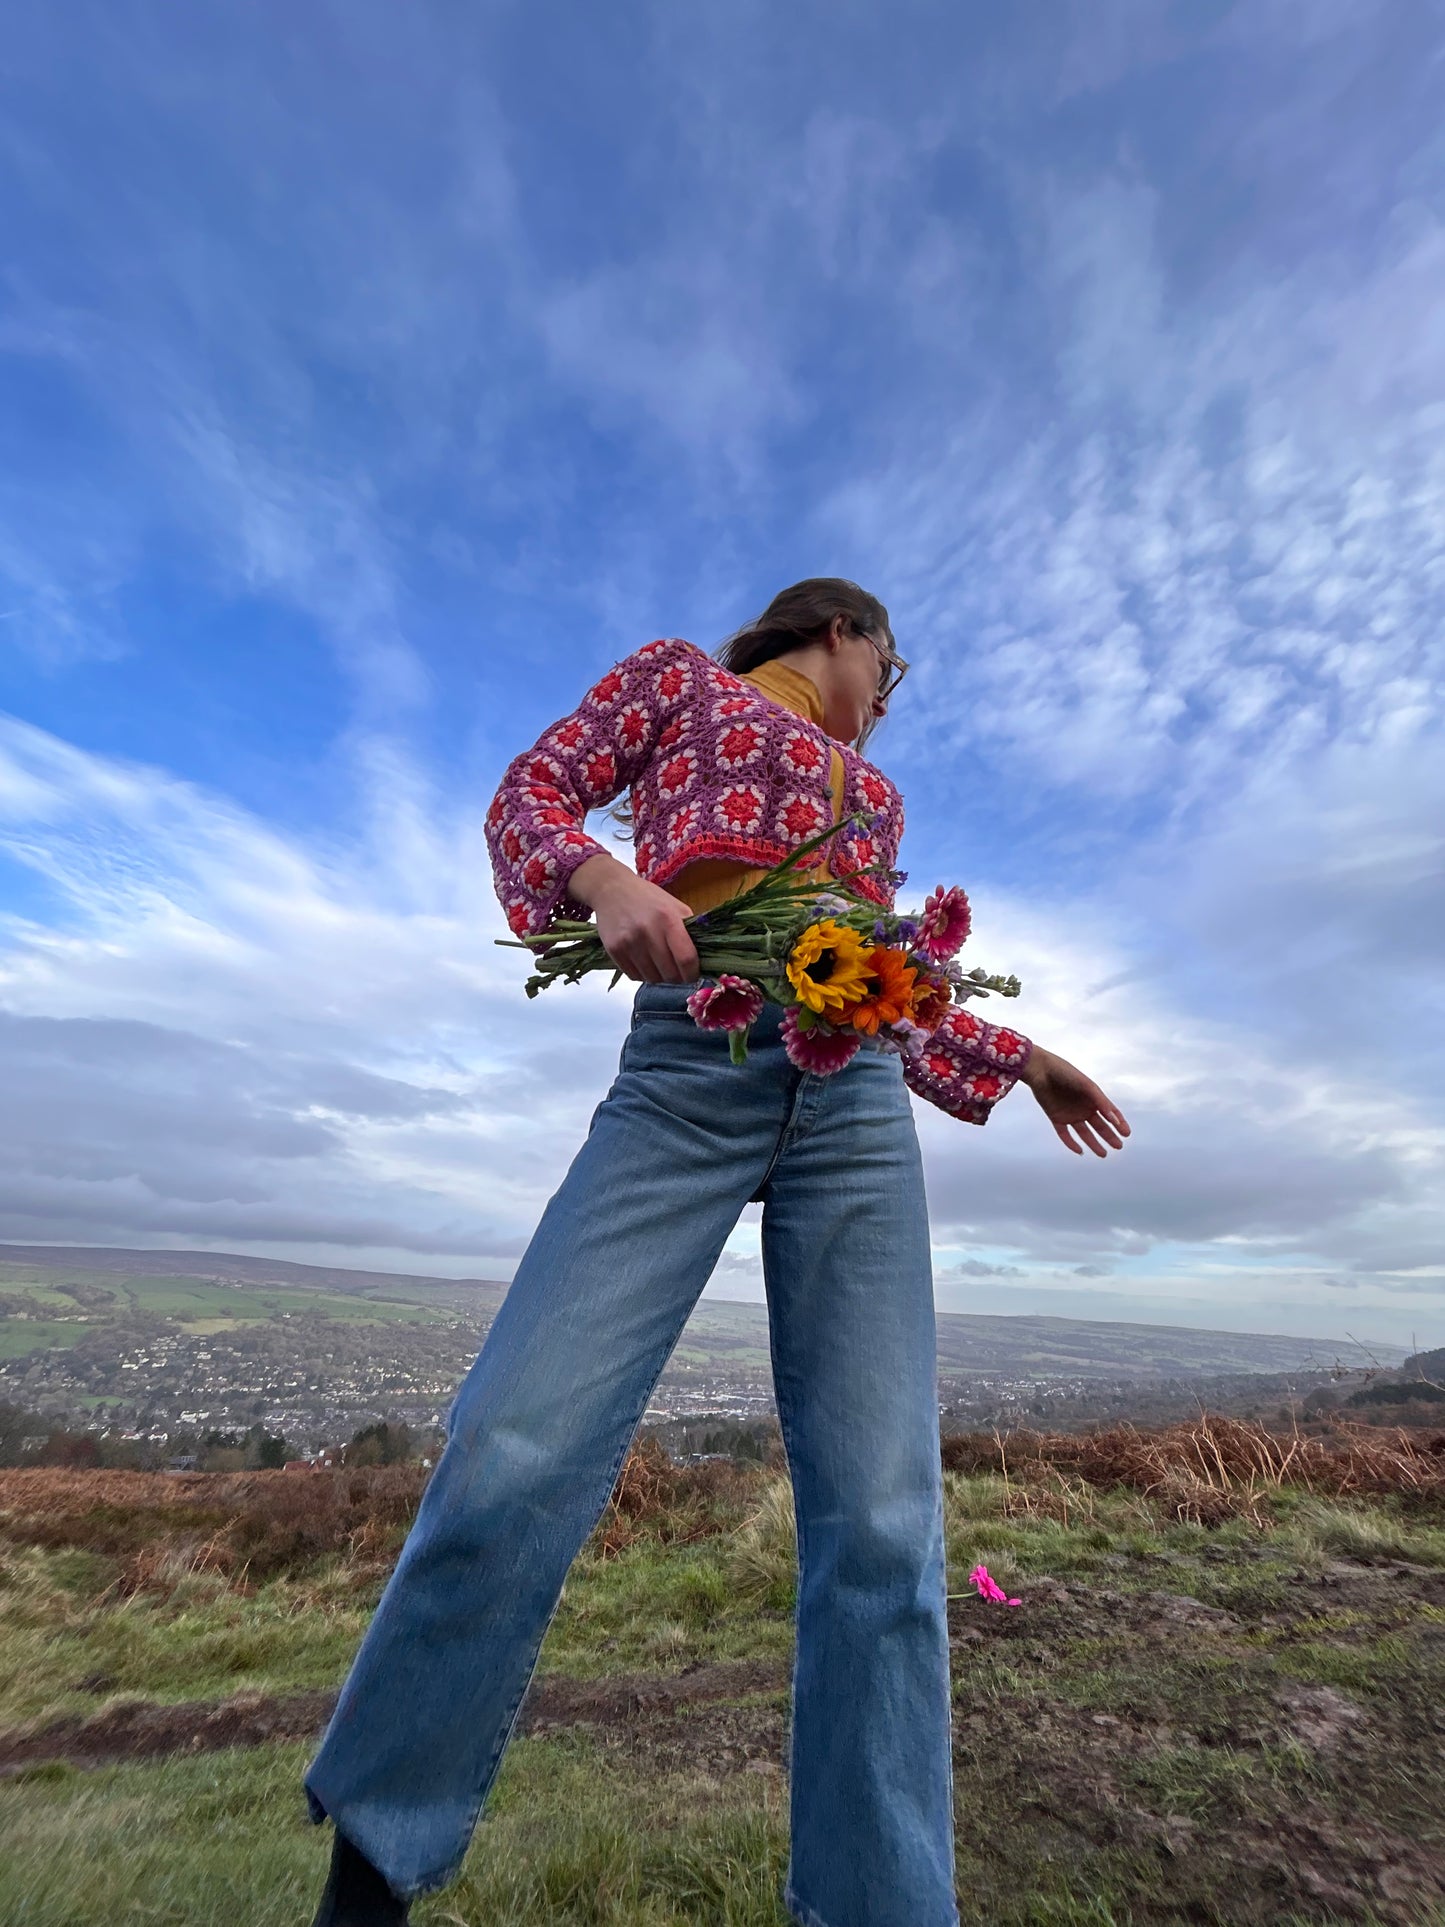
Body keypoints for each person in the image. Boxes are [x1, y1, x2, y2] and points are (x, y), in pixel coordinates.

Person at [304, 579, 1130, 1927]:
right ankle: (377, 1862)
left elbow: (871, 977)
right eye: (891, 666)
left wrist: (1019, 1056)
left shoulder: (879, 804)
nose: (884, 698)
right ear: (839, 634)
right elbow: (532, 791)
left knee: (880, 1521)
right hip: (689, 1067)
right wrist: (603, 874)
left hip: (851, 1091)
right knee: (515, 1442)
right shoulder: (682, 682)